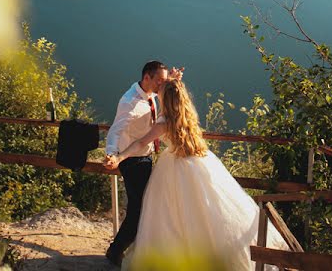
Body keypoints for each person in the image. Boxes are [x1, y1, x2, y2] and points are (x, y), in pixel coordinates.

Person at [105, 77, 290, 270]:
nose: (157, 91)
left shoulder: (164, 122)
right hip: (199, 161)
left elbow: (141, 143)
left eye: (160, 91)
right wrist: (175, 80)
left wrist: (119, 157)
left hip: (174, 167)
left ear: (165, 99)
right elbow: (175, 92)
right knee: (208, 210)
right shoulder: (187, 115)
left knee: (172, 215)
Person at [103, 61, 181, 266]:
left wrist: (172, 80)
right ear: (147, 78)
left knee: (147, 205)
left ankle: (130, 248)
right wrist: (112, 154)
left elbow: (167, 96)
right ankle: (116, 251)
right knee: (139, 209)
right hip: (131, 160)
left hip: (145, 157)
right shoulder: (129, 102)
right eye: (159, 81)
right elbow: (116, 130)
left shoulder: (152, 93)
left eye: (164, 81)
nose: (162, 85)